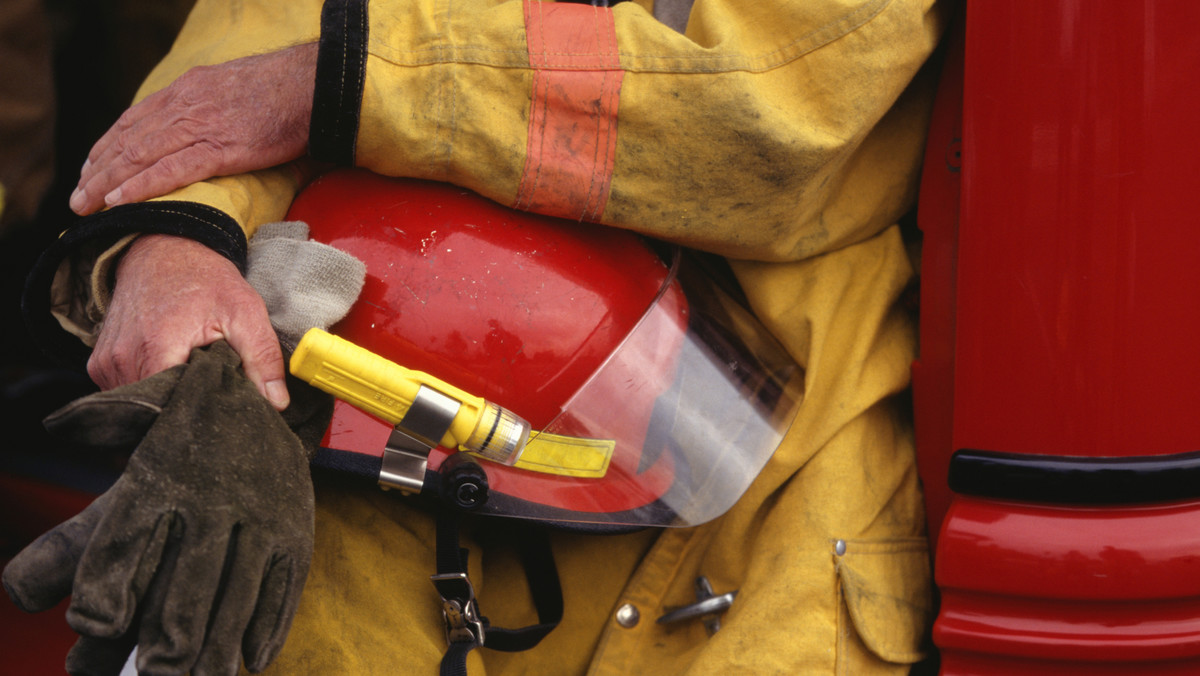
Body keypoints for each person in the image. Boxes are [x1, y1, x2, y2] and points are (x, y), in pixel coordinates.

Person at [25, 0, 950, 672]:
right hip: (387, 451)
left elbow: (774, 117)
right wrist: (176, 240)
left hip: (759, 480)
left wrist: (348, 80)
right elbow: (247, 50)